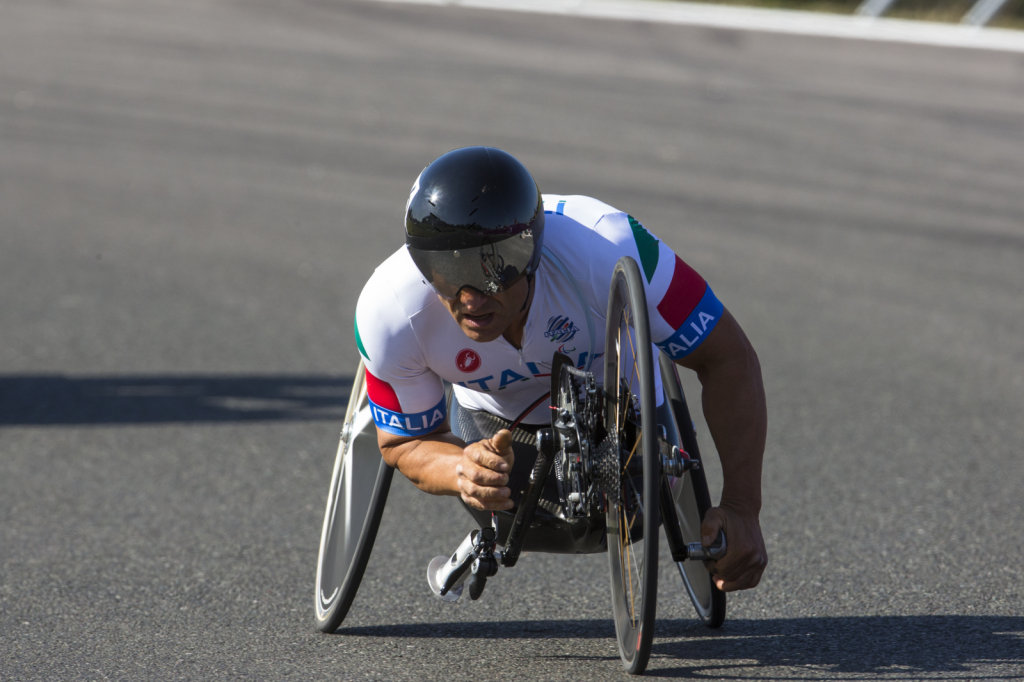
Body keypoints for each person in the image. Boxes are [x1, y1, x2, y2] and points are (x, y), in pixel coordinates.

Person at [354, 146, 767, 592]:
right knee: (512, 517)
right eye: (448, 272)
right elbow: (405, 444)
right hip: (495, 421)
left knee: (640, 508)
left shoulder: (611, 245)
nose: (470, 298)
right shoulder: (389, 309)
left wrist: (743, 507)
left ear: (531, 252)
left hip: (619, 396)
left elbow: (728, 355)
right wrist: (459, 468)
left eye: (494, 270)